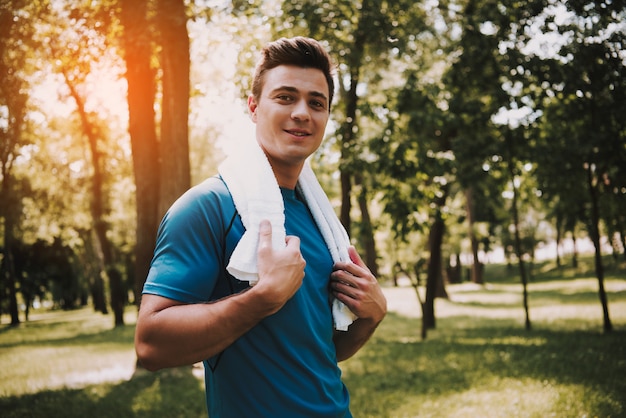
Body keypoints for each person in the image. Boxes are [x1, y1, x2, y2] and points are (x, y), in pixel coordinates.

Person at [134, 36, 387, 418]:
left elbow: (320, 351)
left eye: (316, 102)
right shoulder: (207, 208)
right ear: (253, 107)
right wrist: (262, 299)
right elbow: (151, 346)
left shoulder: (321, 222)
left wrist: (371, 317)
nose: (302, 112)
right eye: (285, 97)